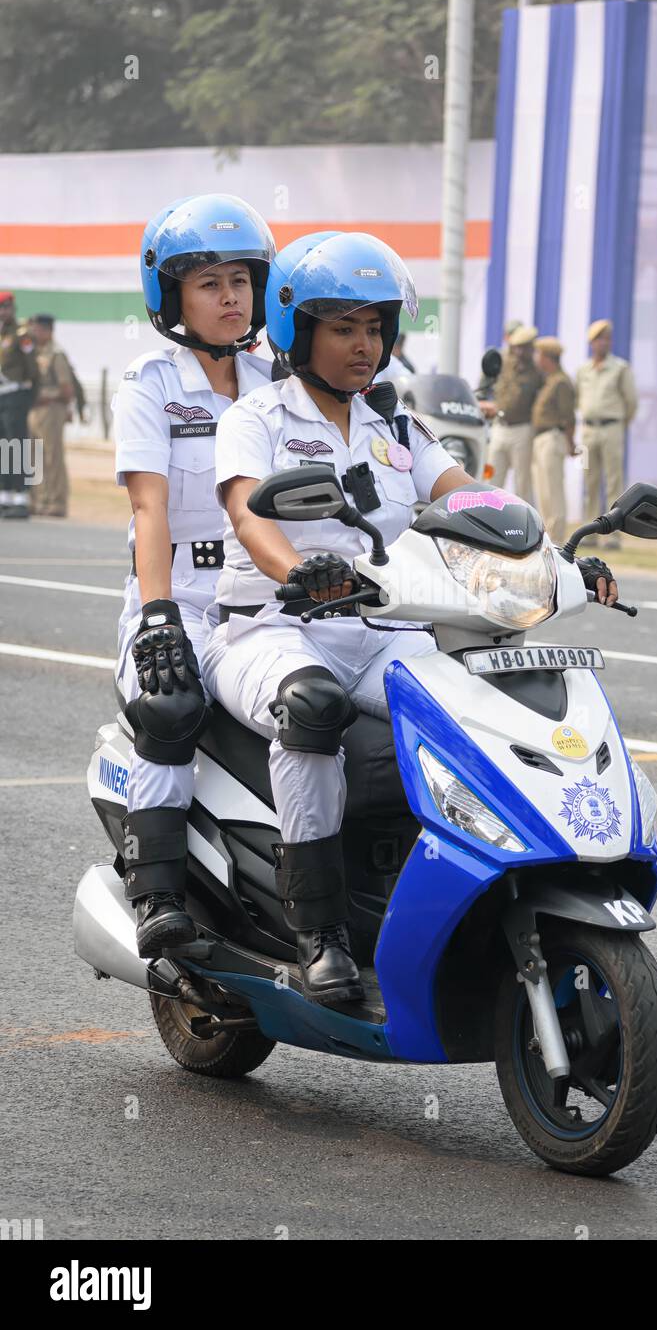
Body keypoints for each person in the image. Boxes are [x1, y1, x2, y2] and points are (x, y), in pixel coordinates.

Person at [200, 231, 619, 1002]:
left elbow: (474, 496)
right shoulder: (254, 417)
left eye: (374, 328)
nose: (364, 346)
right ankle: (319, 932)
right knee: (311, 708)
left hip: (381, 630)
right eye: (343, 328)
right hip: (270, 629)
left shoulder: (397, 425)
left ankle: (443, 898)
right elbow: (249, 515)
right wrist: (300, 571)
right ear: (298, 331)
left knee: (470, 708)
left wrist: (561, 558)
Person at [113, 193, 275, 956]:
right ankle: (156, 896)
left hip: (264, 596)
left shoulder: (283, 380)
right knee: (171, 706)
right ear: (171, 294)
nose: (230, 297)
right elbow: (151, 512)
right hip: (179, 592)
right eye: (209, 283)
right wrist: (157, 619)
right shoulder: (153, 383)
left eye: (240, 279)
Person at [574, 319, 637, 548]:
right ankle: (590, 531)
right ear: (592, 343)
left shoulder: (620, 368)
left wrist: (619, 423)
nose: (604, 343)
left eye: (607, 338)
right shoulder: (583, 371)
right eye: (599, 339)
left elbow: (631, 402)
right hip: (589, 429)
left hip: (611, 428)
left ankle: (613, 535)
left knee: (613, 482)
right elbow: (577, 398)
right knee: (589, 480)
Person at [484, 324, 542, 502]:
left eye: (523, 347)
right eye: (515, 347)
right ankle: (487, 516)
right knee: (490, 477)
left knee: (522, 482)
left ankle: (523, 523)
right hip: (500, 427)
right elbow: (488, 385)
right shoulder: (503, 364)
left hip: (522, 429)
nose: (518, 352)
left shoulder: (537, 373)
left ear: (531, 348)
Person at [25, 314, 75, 518]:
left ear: (48, 330)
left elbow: (66, 389)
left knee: (53, 457)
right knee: (34, 457)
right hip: (35, 410)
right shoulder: (32, 353)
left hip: (52, 410)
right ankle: (38, 500)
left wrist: (46, 395)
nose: (34, 333)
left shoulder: (56, 354)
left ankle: (56, 502)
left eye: (38, 329)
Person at [531, 336, 576, 544]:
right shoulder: (549, 380)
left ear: (548, 358)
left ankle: (557, 539)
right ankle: (549, 537)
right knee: (544, 492)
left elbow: (569, 416)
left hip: (553, 437)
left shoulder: (561, 382)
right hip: (541, 438)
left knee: (553, 492)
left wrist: (571, 442)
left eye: (539, 354)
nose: (536, 358)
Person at [0, 291, 40, 519]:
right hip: (2, 396)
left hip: (16, 395)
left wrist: (28, 396)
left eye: (5, 308)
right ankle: (5, 497)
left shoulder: (21, 334)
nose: (2, 312)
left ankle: (21, 499)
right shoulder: (3, 333)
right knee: (3, 446)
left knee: (16, 447)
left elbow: (32, 369)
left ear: (11, 309)